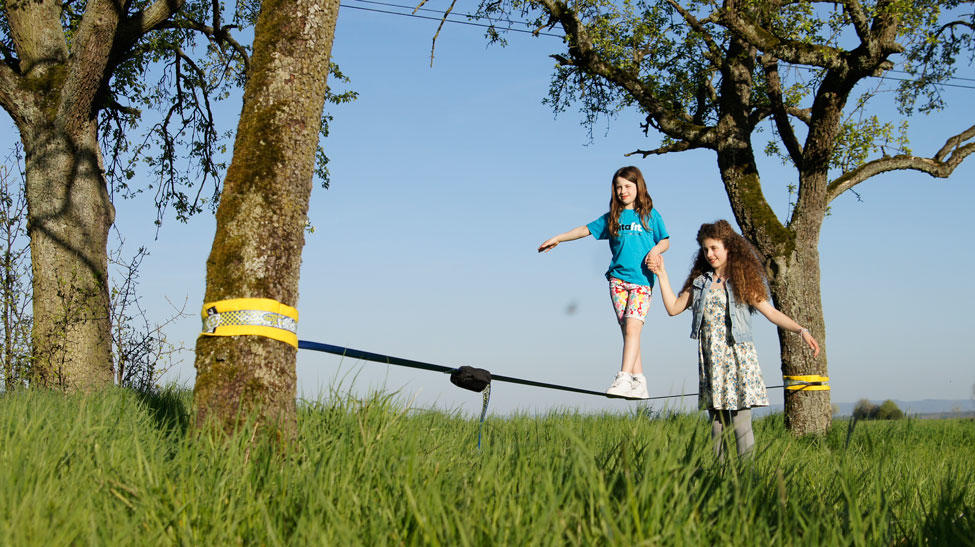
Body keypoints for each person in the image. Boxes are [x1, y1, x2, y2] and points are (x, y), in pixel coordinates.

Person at [648, 220, 819, 459]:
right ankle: (719, 480)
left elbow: (771, 313)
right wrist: (662, 274)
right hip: (711, 362)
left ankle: (747, 480)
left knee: (741, 422)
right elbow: (673, 308)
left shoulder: (742, 282)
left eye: (714, 248)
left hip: (739, 358)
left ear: (728, 247)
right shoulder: (700, 283)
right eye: (705, 249)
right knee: (717, 425)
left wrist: (801, 330)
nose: (710, 254)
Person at [538, 166, 670, 399]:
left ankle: (623, 377)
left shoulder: (650, 215)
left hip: (641, 281)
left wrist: (655, 252)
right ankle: (639, 382)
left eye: (627, 186)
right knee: (629, 332)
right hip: (617, 281)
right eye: (618, 187)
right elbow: (585, 230)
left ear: (638, 186)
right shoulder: (613, 217)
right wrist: (559, 238)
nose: (622, 191)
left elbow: (665, 241)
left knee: (632, 328)